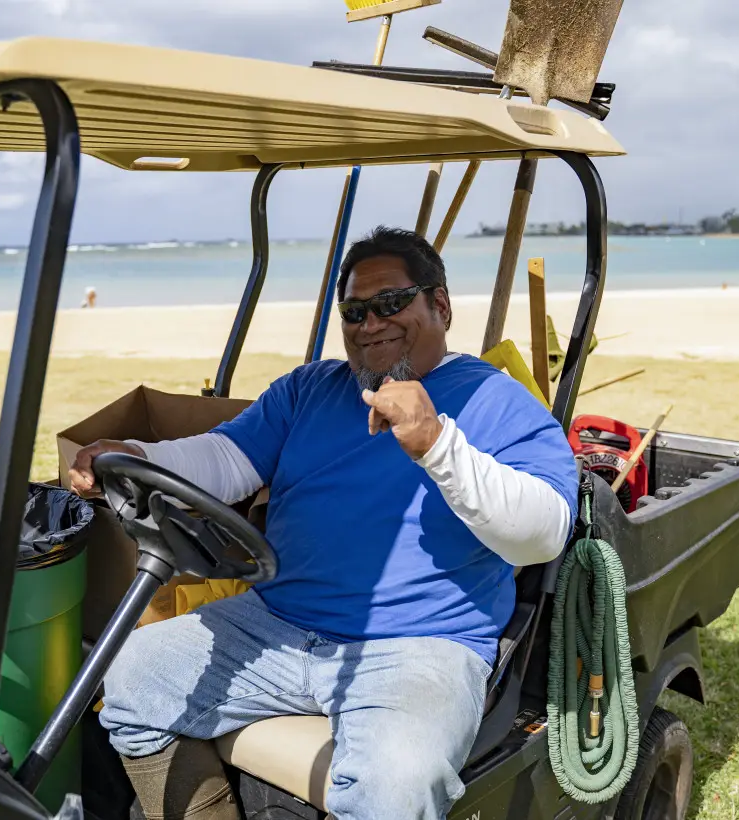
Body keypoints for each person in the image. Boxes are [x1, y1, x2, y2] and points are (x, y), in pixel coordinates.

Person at [69, 227, 579, 820]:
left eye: (392, 303)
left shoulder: (497, 400)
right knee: (130, 675)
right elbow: (225, 459)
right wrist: (135, 455)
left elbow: (544, 532)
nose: (371, 324)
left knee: (397, 782)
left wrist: (437, 445)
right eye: (355, 311)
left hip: (418, 643)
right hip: (275, 623)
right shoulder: (310, 389)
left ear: (439, 305)